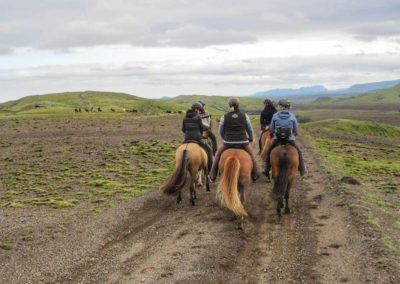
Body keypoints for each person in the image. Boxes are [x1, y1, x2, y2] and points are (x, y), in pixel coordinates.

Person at [209, 97, 259, 182]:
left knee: (217, 154)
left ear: (229, 105)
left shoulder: (224, 116)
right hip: (243, 141)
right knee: (251, 155)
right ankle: (255, 174)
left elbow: (220, 130)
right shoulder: (245, 115)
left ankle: (213, 174)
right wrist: (250, 138)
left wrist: (224, 138)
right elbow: (249, 129)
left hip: (228, 142)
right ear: (238, 104)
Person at [263, 99, 307, 178]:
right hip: (290, 140)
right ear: (287, 107)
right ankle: (302, 169)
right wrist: (293, 134)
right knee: (299, 152)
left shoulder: (275, 115)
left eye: (279, 105)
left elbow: (272, 129)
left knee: (269, 151)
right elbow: (296, 129)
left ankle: (266, 169)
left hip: (278, 139)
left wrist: (272, 133)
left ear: (281, 106)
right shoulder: (292, 116)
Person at [182, 102, 213, 171]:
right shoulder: (198, 117)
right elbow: (201, 129)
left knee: (181, 152)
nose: (200, 112)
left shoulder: (185, 117)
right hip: (198, 139)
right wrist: (200, 135)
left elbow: (183, 129)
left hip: (187, 139)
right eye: (200, 110)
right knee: (209, 150)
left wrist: (188, 134)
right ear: (197, 110)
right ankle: (210, 171)